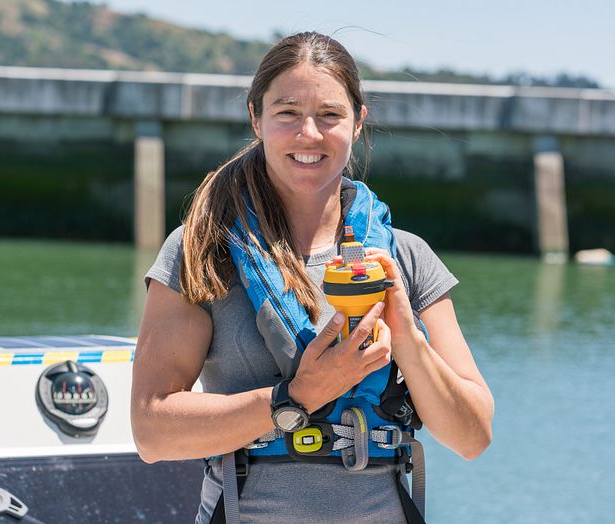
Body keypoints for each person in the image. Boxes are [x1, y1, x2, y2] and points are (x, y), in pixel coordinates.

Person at [131, 32, 494, 523]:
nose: (309, 134)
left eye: (330, 115)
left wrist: (408, 338)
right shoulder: (200, 251)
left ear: (358, 122)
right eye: (287, 113)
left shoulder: (406, 259)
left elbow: (472, 438)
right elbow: (152, 431)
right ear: (255, 117)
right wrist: (294, 398)